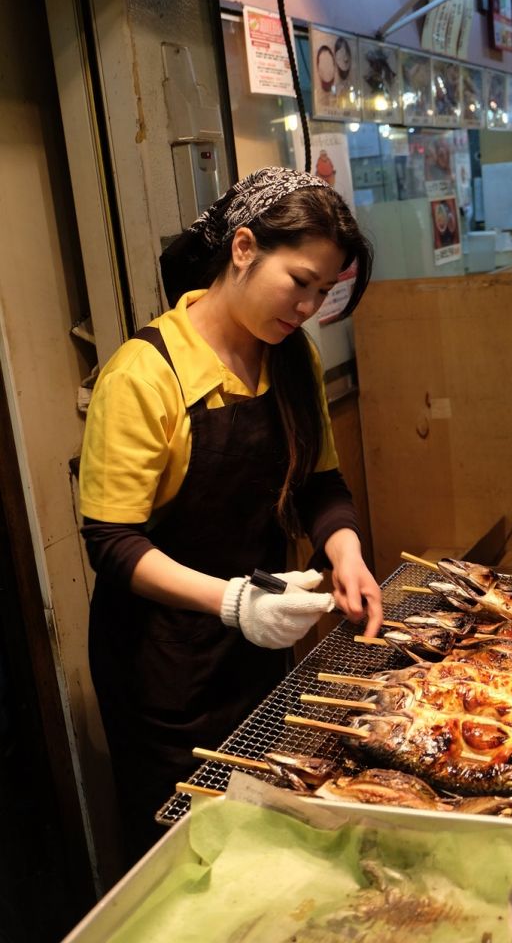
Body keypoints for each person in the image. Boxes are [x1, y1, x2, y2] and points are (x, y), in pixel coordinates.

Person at [79, 167, 383, 865]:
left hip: (255, 647)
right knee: (188, 855)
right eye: (299, 281)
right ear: (243, 248)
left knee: (263, 839)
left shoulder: (291, 357)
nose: (307, 307)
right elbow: (111, 543)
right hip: (161, 668)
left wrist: (345, 552)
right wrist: (231, 602)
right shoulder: (144, 374)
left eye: (324, 292)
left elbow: (320, 483)